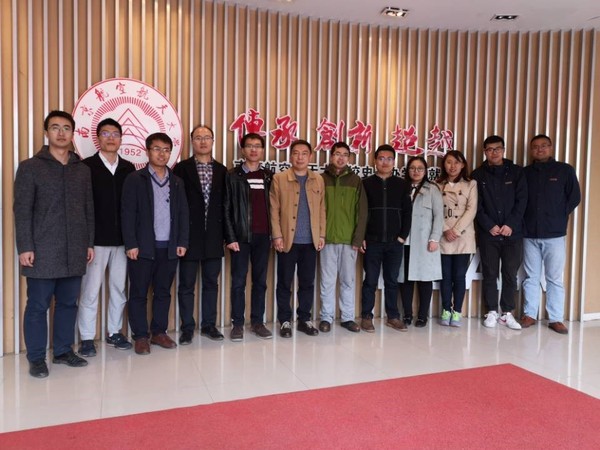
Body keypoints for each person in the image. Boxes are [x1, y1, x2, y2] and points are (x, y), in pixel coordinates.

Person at [14, 110, 94, 378]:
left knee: (68, 303)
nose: (61, 133)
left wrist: (89, 242)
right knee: (38, 305)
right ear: (46, 132)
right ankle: (37, 358)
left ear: (73, 133)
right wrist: (25, 246)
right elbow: (22, 210)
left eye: (66, 128)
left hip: (75, 248)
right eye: (55, 127)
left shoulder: (82, 170)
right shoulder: (30, 167)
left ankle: (62, 351)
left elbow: (88, 209)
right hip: (42, 249)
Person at [121, 132, 189, 355]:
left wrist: (182, 241)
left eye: (166, 150)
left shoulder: (177, 182)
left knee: (163, 292)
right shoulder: (135, 179)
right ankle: (141, 336)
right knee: (138, 293)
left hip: (169, 247)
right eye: (157, 149)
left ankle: (159, 332)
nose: (162, 154)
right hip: (143, 248)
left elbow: (183, 213)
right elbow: (127, 214)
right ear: (147, 151)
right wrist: (131, 243)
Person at [77, 118, 136, 357]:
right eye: (105, 133)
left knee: (119, 289)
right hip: (96, 241)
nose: (111, 138)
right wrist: (86, 241)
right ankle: (86, 338)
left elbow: (133, 206)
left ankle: (114, 332)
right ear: (98, 138)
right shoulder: (86, 167)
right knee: (90, 290)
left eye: (115, 134)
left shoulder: (128, 168)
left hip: (123, 241)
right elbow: (81, 206)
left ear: (121, 139)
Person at [520, 134, 581, 334]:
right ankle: (530, 314)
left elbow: (574, 197)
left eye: (544, 145)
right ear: (531, 150)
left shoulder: (564, 170)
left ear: (551, 147)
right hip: (529, 233)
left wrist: (559, 214)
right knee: (531, 276)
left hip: (555, 234)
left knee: (554, 277)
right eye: (535, 147)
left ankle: (555, 318)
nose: (540, 149)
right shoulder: (525, 173)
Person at [174, 125, 227, 343]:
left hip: (214, 236)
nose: (203, 141)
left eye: (207, 137)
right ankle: (187, 327)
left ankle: (208, 325)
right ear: (192, 141)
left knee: (211, 283)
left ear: (213, 141)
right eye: (198, 137)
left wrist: (227, 236)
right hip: (189, 237)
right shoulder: (181, 169)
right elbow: (176, 206)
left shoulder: (222, 170)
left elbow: (226, 206)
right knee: (187, 284)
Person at [270, 139, 326, 338]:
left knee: (307, 283)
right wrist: (277, 235)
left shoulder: (318, 179)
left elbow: (322, 209)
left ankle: (304, 319)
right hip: (287, 240)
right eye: (296, 153)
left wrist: (321, 234)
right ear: (290, 156)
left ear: (310, 156)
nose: (300, 157)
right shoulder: (279, 178)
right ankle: (285, 321)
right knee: (284, 283)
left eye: (304, 153)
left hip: (310, 241)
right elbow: (274, 209)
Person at [471, 135, 527, 330]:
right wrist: (489, 225)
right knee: (490, 273)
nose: (494, 153)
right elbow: (475, 205)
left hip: (513, 233)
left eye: (497, 149)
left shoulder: (517, 172)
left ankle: (507, 312)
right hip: (489, 234)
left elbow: (522, 200)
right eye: (489, 149)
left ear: (503, 150)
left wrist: (511, 224)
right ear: (484, 152)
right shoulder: (477, 175)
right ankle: (492, 311)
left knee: (510, 273)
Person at [224, 133, 273, 341]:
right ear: (242, 150)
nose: (254, 150)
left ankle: (257, 322)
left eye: (258, 146)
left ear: (262, 150)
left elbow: (275, 208)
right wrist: (230, 237)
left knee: (260, 281)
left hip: (264, 237)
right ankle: (237, 324)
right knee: (238, 282)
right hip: (241, 237)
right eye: (249, 146)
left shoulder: (268, 176)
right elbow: (226, 208)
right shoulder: (233, 175)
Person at [360, 144, 412, 333]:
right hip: (372, 241)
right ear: (375, 161)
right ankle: (366, 316)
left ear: (394, 162)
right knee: (370, 281)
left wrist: (402, 237)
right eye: (381, 158)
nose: (385, 162)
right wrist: (362, 237)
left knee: (392, 280)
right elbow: (361, 213)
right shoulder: (366, 183)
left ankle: (393, 316)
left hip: (394, 242)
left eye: (389, 159)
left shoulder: (402, 184)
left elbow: (407, 213)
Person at [319, 142, 367, 333]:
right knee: (327, 280)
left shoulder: (355, 180)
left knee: (348, 281)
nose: (341, 158)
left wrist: (358, 238)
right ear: (331, 156)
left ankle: (347, 318)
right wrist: (319, 235)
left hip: (349, 240)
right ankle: (326, 317)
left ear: (349, 158)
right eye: (337, 154)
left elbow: (362, 212)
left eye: (345, 155)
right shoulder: (321, 179)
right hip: (327, 238)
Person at [398, 156, 443, 328]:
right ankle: (407, 315)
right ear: (407, 170)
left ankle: (423, 316)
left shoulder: (432, 189)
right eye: (412, 168)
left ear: (425, 171)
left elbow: (439, 216)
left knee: (425, 279)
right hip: (404, 241)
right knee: (405, 280)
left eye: (420, 168)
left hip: (425, 242)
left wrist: (434, 238)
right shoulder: (402, 188)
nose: (416, 171)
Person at [436, 150, 477, 327]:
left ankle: (457, 311)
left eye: (457, 162)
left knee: (459, 276)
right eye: (449, 162)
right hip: (443, 234)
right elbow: (435, 210)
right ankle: (446, 309)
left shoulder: (471, 184)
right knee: (445, 276)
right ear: (444, 164)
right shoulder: (437, 185)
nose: (452, 166)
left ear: (463, 165)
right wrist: (446, 230)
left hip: (463, 235)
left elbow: (472, 209)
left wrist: (456, 230)